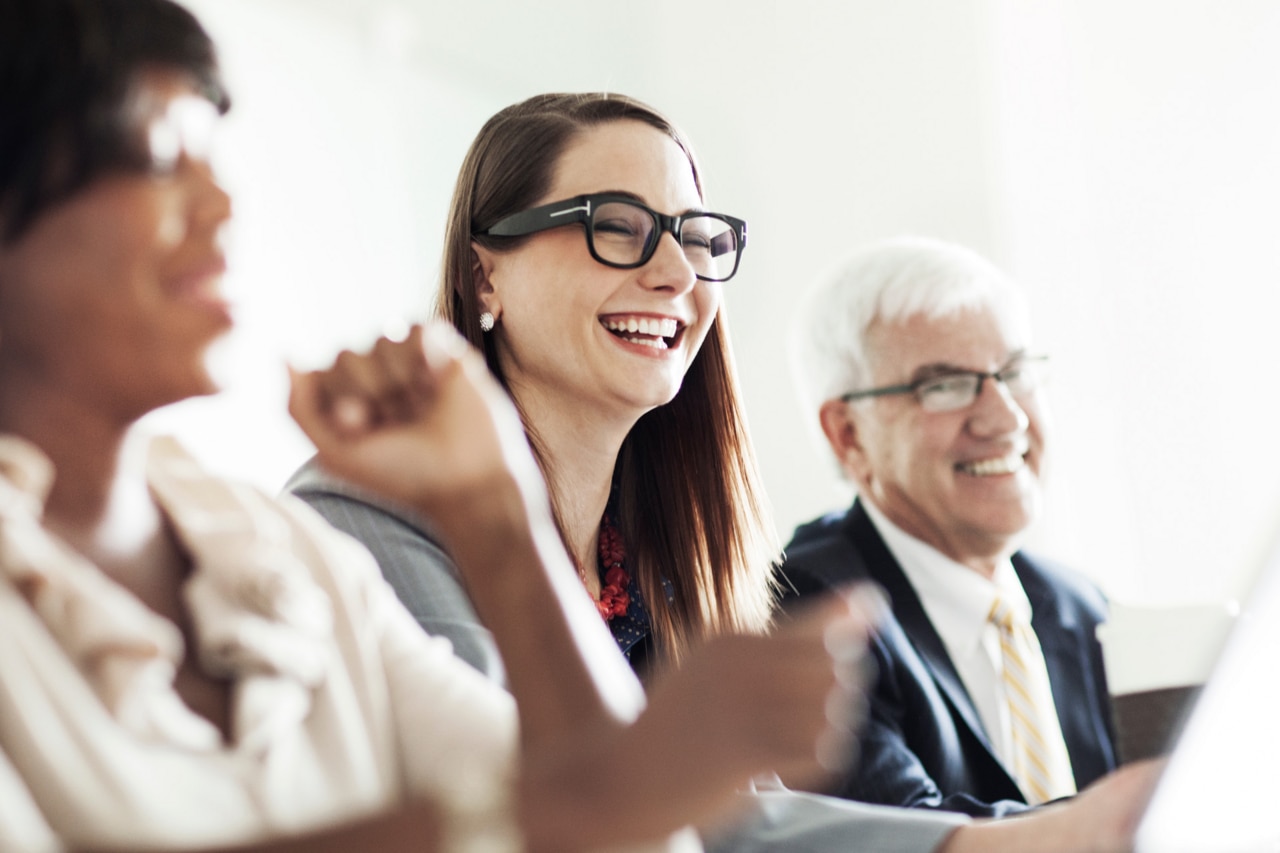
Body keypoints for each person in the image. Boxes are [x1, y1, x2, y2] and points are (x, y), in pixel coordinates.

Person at [0, 2, 889, 850]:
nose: (224, 209)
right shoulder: (341, 520)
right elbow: (589, 801)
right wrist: (612, 786)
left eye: (691, 235)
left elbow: (615, 823)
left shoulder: (276, 552)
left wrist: (497, 511)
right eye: (161, 157)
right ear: (483, 278)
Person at [288, 96, 1156, 852]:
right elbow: (556, 816)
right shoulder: (368, 518)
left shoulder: (655, 548)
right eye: (616, 227)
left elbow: (737, 823)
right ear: (486, 274)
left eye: (694, 237)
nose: (674, 273)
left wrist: (1044, 835)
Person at [780, 236, 1117, 817]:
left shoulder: (1078, 607)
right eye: (944, 386)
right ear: (848, 435)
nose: (1004, 417)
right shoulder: (808, 614)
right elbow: (912, 840)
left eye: (1014, 373)